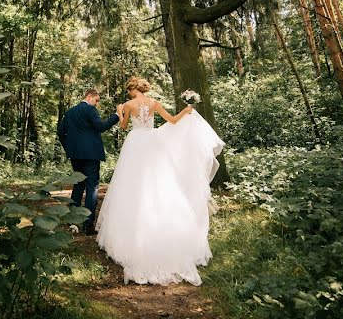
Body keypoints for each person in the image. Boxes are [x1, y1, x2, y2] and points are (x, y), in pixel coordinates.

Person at [95, 76, 225, 286]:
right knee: (159, 182)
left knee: (131, 185)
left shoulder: (128, 104)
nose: (128, 94)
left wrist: (120, 112)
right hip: (152, 142)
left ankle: (133, 232)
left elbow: (124, 126)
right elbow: (173, 121)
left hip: (135, 143)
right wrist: (187, 110)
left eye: (129, 90)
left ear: (132, 89)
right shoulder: (154, 103)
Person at [57, 88, 120, 235]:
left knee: (78, 185)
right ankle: (88, 224)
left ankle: (72, 220)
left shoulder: (70, 112)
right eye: (97, 100)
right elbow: (101, 126)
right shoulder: (90, 110)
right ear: (90, 97)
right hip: (91, 155)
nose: (97, 103)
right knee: (92, 187)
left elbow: (61, 132)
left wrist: (69, 148)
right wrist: (116, 115)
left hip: (75, 155)